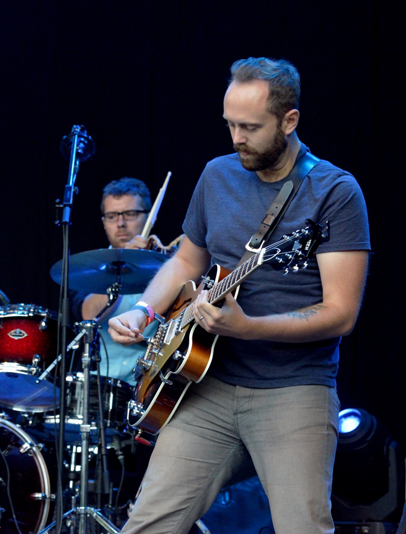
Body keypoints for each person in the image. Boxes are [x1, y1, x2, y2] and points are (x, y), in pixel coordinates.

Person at [108, 57, 371, 534]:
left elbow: (340, 314)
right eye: (229, 124)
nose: (236, 138)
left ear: (290, 121)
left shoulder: (335, 191)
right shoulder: (216, 174)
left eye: (250, 127)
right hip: (205, 387)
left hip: (294, 390)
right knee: (146, 525)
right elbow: (187, 261)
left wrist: (249, 328)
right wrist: (145, 312)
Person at [70, 177, 160, 385]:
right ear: (104, 222)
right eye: (111, 216)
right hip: (97, 388)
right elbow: (88, 314)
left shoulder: (168, 268)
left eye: (130, 214)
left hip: (151, 389)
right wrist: (121, 265)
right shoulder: (88, 269)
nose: (120, 223)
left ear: (149, 218)